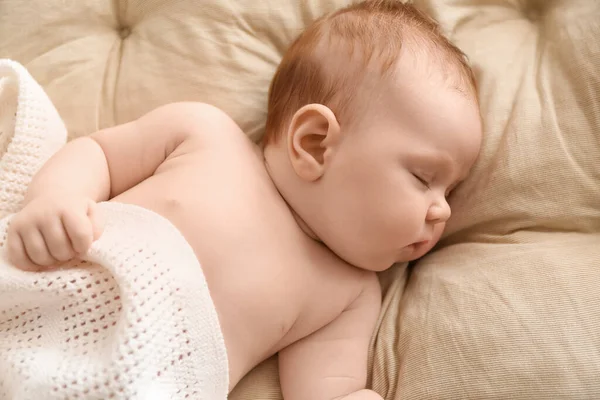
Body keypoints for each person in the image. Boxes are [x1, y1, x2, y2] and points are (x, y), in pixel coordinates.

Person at [6, 1, 482, 399]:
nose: (442, 210)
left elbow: (326, 390)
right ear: (315, 143)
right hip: (51, 298)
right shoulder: (204, 133)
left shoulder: (349, 293)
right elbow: (100, 154)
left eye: (450, 190)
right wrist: (58, 197)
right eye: (424, 177)